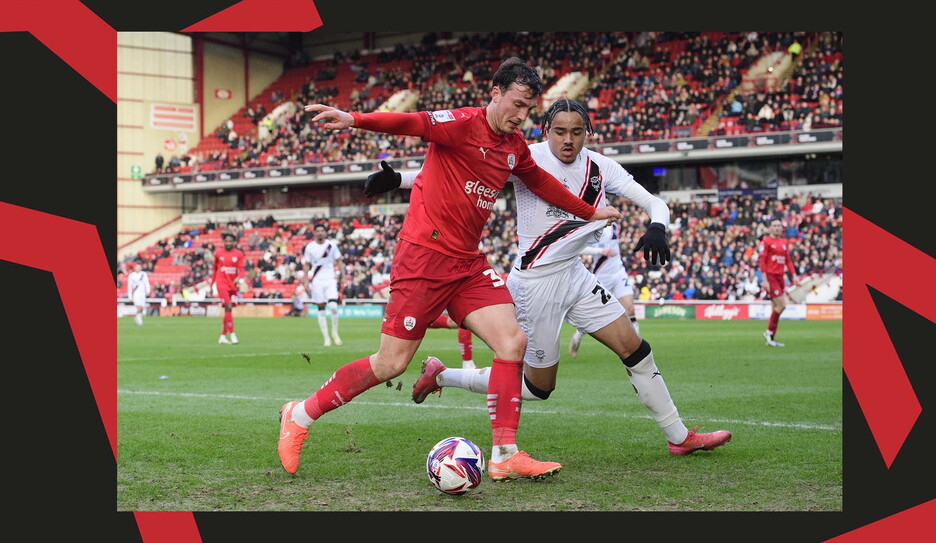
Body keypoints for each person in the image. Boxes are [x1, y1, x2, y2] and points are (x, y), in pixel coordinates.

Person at [277, 58, 621, 480]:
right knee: (391, 364)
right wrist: (354, 119)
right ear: (495, 93)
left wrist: (588, 211)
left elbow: (543, 185)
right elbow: (409, 122)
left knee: (512, 342)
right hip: (423, 258)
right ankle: (300, 415)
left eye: (529, 109)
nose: (521, 116)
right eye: (516, 104)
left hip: (467, 264)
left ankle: (504, 455)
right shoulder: (459, 124)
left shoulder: (514, 149)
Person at [379, 98, 731, 456]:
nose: (568, 140)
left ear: (587, 134)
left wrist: (658, 226)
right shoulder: (524, 156)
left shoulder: (600, 168)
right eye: (560, 131)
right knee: (538, 387)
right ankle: (443, 376)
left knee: (636, 350)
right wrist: (398, 180)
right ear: (546, 130)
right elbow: (455, 176)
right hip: (535, 286)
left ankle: (678, 436)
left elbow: (655, 202)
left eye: (577, 132)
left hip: (575, 276)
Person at [568, 221, 638, 358]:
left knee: (630, 308)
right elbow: (578, 249)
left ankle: (637, 350)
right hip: (601, 275)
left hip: (618, 272)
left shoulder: (614, 225)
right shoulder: (591, 229)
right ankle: (577, 337)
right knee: (592, 314)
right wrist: (601, 251)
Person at [301, 224, 343, 346]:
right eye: (317, 231)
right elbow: (307, 264)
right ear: (314, 233)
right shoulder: (310, 247)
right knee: (321, 309)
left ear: (325, 232)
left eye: (322, 231)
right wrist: (305, 279)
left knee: (334, 306)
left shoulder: (331, 245)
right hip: (317, 280)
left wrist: (343, 276)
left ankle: (335, 333)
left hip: (330, 279)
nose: (320, 233)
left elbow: (338, 261)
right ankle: (326, 337)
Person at [758, 217, 796, 347]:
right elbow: (762, 261)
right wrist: (764, 279)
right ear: (770, 228)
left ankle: (771, 338)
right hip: (771, 276)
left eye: (779, 226)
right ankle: (768, 332)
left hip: (780, 277)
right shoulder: (766, 241)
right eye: (774, 226)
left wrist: (794, 275)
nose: (777, 228)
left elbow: (788, 260)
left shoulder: (783, 242)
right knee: (782, 305)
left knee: (775, 308)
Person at [210, 231, 244, 344]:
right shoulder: (218, 254)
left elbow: (242, 270)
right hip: (221, 283)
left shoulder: (238, 254)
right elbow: (214, 270)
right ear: (223, 242)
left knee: (228, 310)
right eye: (226, 241)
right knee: (228, 306)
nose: (228, 243)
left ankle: (223, 336)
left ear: (234, 242)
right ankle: (233, 334)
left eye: (230, 241)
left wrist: (239, 277)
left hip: (232, 285)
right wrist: (212, 284)